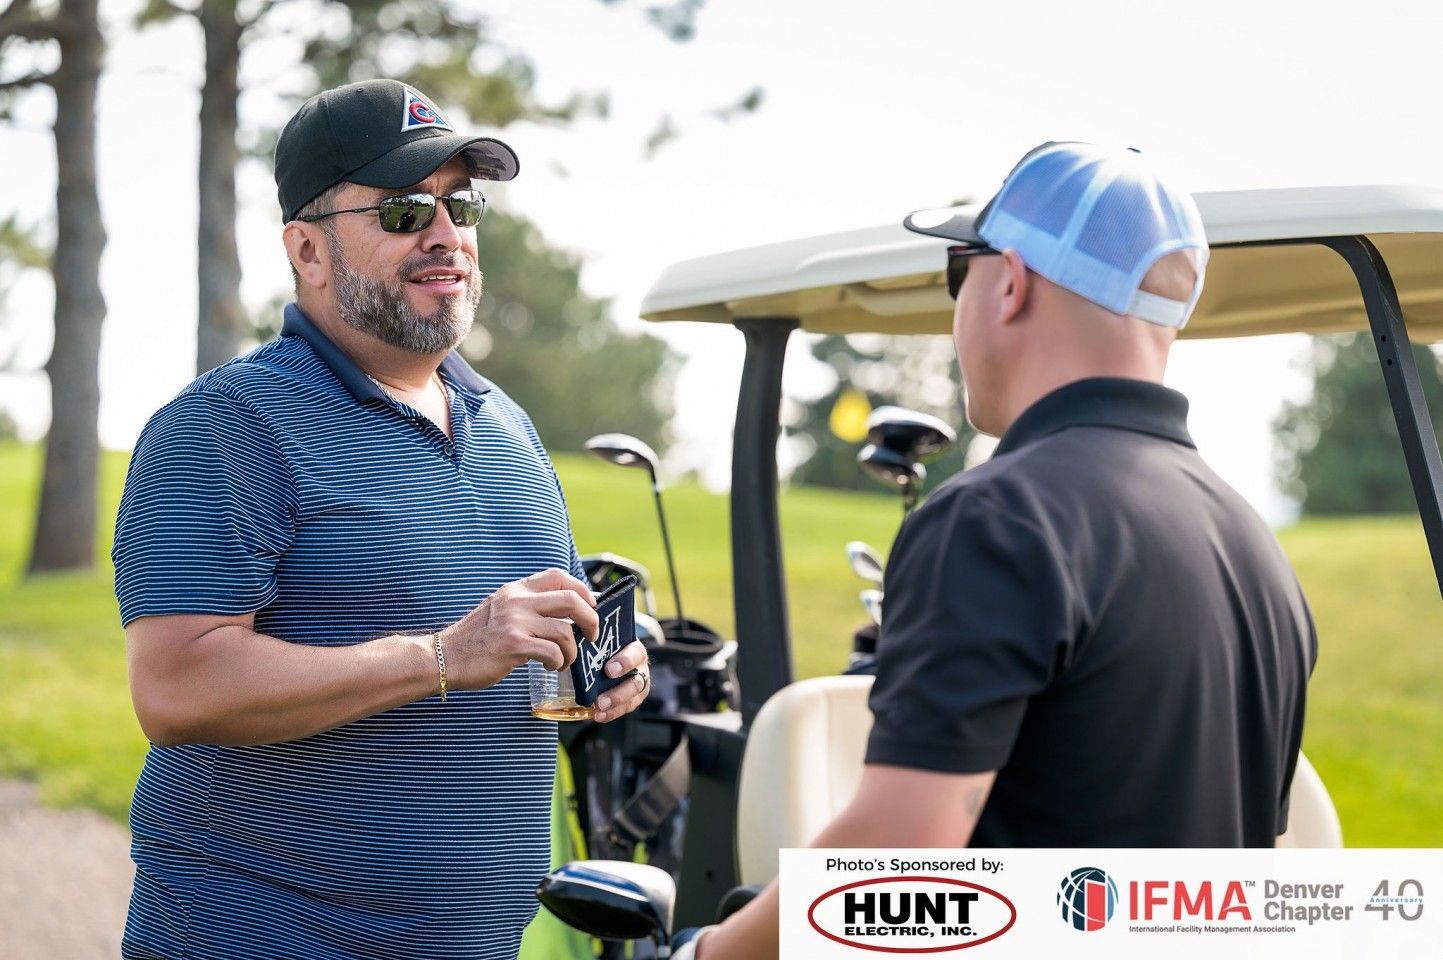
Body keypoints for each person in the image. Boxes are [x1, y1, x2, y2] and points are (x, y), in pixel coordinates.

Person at [682, 142, 1317, 959]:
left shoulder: (996, 517)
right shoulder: (1250, 544)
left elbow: (899, 856)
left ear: (1010, 282)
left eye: (959, 272)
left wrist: (705, 954)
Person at [111, 78, 652, 960]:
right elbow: (176, 689)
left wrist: (597, 661)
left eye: (460, 206)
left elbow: (507, 636)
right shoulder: (225, 424)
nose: (445, 236)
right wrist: (444, 656)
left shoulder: (508, 427)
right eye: (403, 211)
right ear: (308, 251)